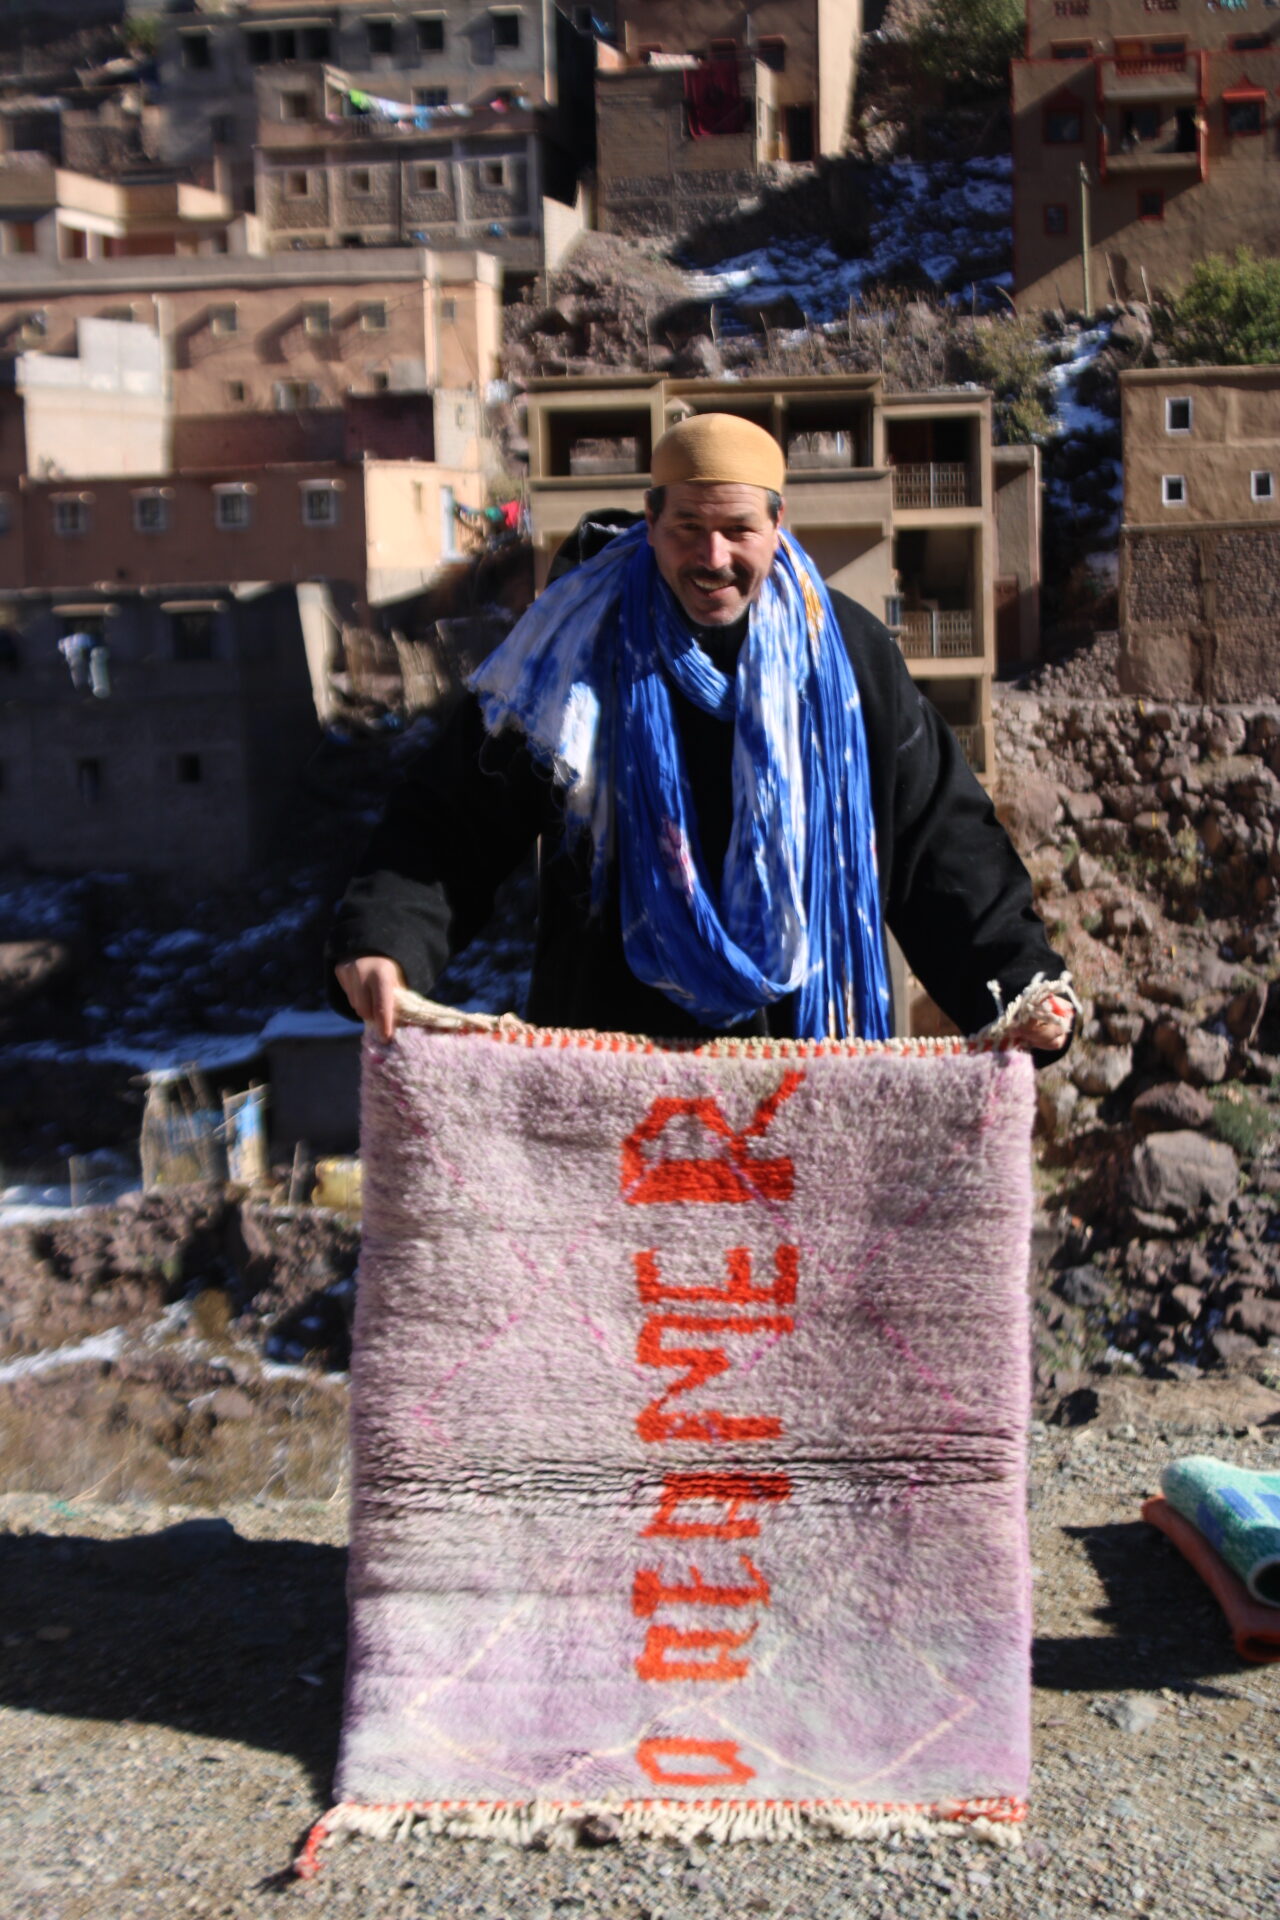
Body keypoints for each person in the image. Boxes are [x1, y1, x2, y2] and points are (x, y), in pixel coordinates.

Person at [330, 414, 1073, 1055]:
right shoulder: (571, 651)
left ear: (778, 528)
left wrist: (1017, 982)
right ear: (650, 522)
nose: (712, 558)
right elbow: (455, 813)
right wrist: (385, 936)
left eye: (738, 530)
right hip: (615, 1060)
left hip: (795, 1064)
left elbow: (939, 836)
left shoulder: (848, 658)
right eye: (688, 528)